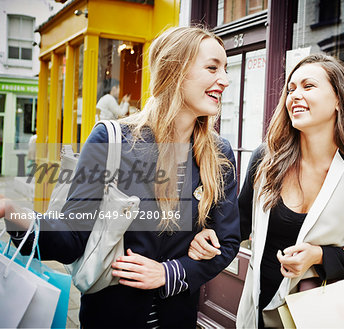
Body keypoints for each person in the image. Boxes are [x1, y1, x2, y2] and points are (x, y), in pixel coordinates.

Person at [0, 26, 240, 328]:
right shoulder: (112, 140)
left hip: (177, 319)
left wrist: (171, 272)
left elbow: (229, 241)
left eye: (226, 69)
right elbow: (72, 239)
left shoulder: (220, 153)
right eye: (212, 67)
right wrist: (11, 211)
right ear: (174, 70)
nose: (225, 80)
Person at [188, 54, 344, 328]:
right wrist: (207, 236)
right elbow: (238, 224)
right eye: (291, 89)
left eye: (308, 86)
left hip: (318, 314)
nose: (294, 96)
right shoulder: (265, 159)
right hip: (258, 308)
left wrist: (319, 256)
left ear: (339, 99)